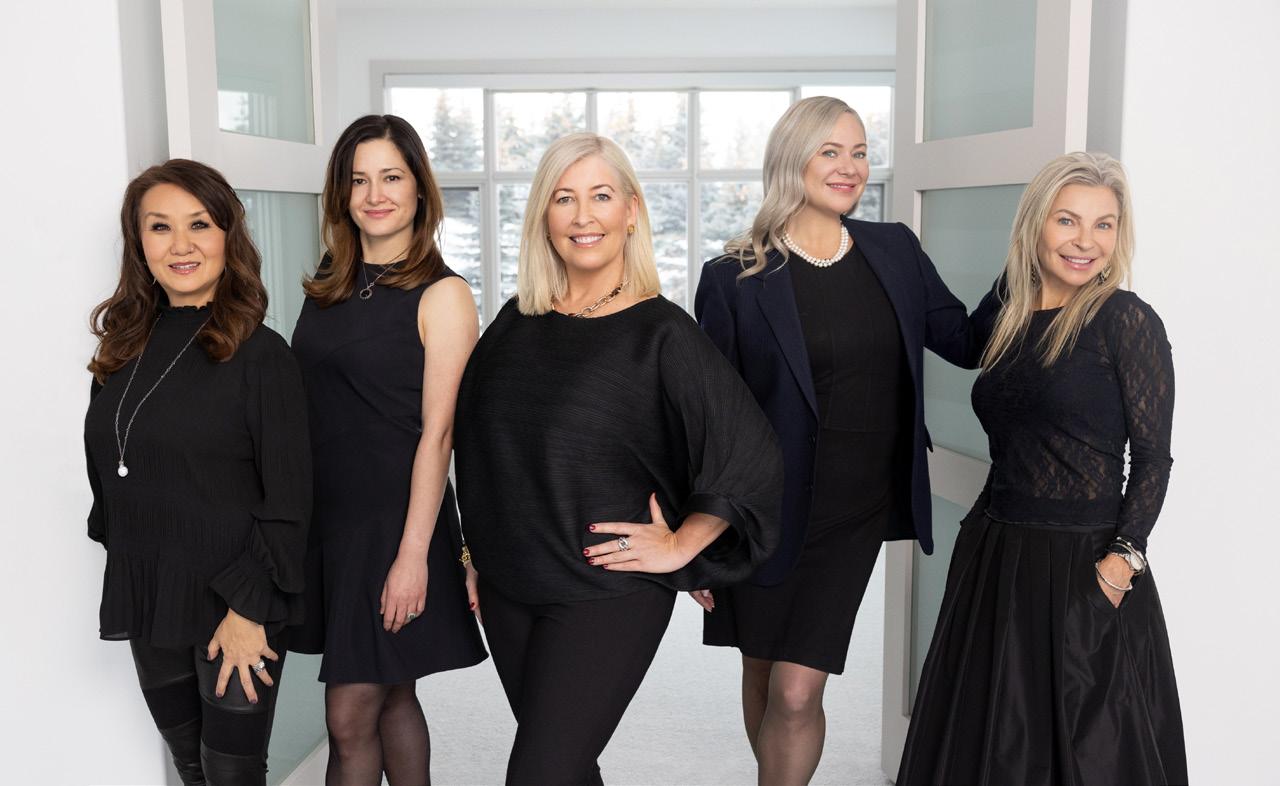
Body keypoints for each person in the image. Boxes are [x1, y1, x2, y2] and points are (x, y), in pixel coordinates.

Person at [452, 132, 783, 786]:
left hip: (605, 591)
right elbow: (480, 445)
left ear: (631, 210)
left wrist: (682, 543)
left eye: (601, 196)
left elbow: (749, 451)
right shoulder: (515, 321)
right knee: (568, 769)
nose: (583, 216)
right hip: (509, 585)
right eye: (564, 198)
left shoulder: (662, 332)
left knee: (539, 775)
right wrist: (471, 552)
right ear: (544, 217)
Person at [693, 96, 992, 785]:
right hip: (763, 508)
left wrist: (1033, 264)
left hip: (855, 504)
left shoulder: (894, 250)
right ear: (792, 160)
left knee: (798, 689)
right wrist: (700, 533)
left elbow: (965, 341)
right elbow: (710, 416)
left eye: (859, 152)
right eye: (831, 151)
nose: (850, 166)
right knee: (761, 666)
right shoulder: (733, 276)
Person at [896, 152, 1187, 785]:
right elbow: (959, 342)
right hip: (996, 554)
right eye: (1067, 220)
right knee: (987, 746)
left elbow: (1153, 458)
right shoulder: (1009, 306)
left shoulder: (1125, 320)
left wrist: (1121, 564)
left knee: (1086, 754)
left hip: (1085, 563)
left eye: (1104, 224)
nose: (1085, 241)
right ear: (1036, 224)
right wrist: (892, 256)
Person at [84, 159, 311, 785]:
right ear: (139, 244)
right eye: (160, 227)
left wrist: (249, 609)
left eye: (200, 224)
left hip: (235, 598)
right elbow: (110, 470)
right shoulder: (120, 351)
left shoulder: (262, 356)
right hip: (152, 590)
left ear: (227, 236)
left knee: (231, 772)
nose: (181, 244)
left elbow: (290, 498)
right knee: (191, 767)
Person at [289, 114, 487, 786]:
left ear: (419, 189)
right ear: (341, 193)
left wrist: (413, 556)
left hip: (395, 523)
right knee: (392, 691)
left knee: (349, 717)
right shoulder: (330, 280)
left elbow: (440, 435)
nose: (375, 194)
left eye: (392, 177)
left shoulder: (445, 294)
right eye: (359, 180)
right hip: (332, 521)